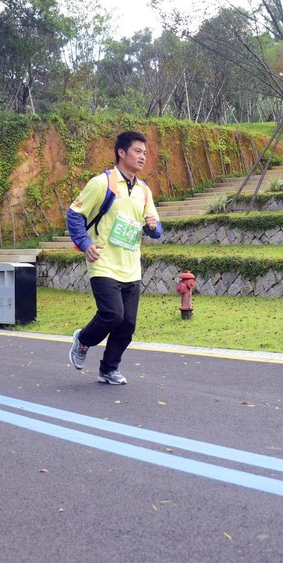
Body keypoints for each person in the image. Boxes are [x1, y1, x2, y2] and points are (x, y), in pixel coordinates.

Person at [66, 130, 163, 385]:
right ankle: (83, 340)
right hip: (103, 262)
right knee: (112, 314)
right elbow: (75, 214)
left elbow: (155, 229)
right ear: (122, 152)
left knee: (127, 325)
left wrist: (153, 227)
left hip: (131, 266)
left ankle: (108, 369)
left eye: (145, 152)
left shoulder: (143, 190)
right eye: (137, 151)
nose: (143, 157)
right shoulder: (102, 183)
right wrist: (85, 243)